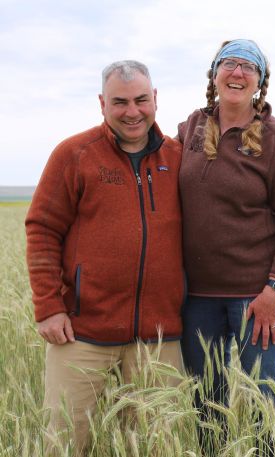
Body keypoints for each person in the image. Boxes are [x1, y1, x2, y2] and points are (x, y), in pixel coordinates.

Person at [25, 60, 184, 455]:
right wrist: (48, 306)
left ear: (156, 100)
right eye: (120, 102)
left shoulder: (180, 158)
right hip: (81, 334)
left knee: (157, 445)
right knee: (63, 443)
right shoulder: (74, 154)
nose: (133, 111)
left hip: (159, 338)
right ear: (102, 103)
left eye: (141, 100)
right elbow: (42, 228)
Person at [178, 39, 275, 455]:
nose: (237, 73)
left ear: (259, 81)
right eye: (229, 64)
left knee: (269, 402)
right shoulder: (190, 128)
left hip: (257, 298)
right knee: (207, 405)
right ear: (215, 73)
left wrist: (274, 290)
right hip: (198, 298)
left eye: (248, 67)